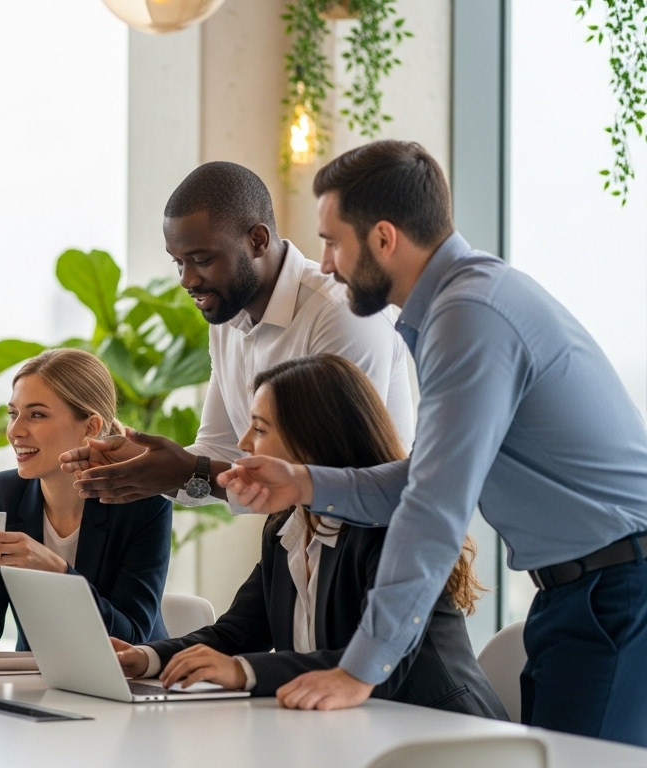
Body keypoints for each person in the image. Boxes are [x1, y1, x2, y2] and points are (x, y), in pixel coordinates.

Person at [218, 140, 647, 746]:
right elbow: (424, 479)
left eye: (334, 241)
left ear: (385, 238)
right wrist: (307, 482)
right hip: (583, 590)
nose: (327, 264)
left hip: (617, 588)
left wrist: (359, 669)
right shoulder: (459, 307)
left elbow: (433, 510)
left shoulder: (470, 316)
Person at [112, 354, 505, 719]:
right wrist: (146, 658)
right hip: (349, 731)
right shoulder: (287, 526)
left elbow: (378, 664)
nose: (244, 443)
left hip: (441, 731)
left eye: (260, 428)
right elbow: (239, 630)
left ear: (313, 439)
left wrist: (243, 670)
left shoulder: (386, 528)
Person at [59, 161, 412, 510]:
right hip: (298, 543)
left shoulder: (339, 312)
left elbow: (327, 477)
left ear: (257, 240)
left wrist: (186, 471)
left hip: (374, 548)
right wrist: (144, 462)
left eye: (201, 259)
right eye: (179, 262)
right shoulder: (227, 317)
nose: (187, 280)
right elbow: (219, 451)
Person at [0, 349, 172, 656]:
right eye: (13, 414)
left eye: (37, 415)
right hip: (37, 682)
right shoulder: (3, 492)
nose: (15, 431)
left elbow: (130, 636)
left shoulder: (143, 503)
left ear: (89, 427)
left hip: (130, 684)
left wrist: (57, 570)